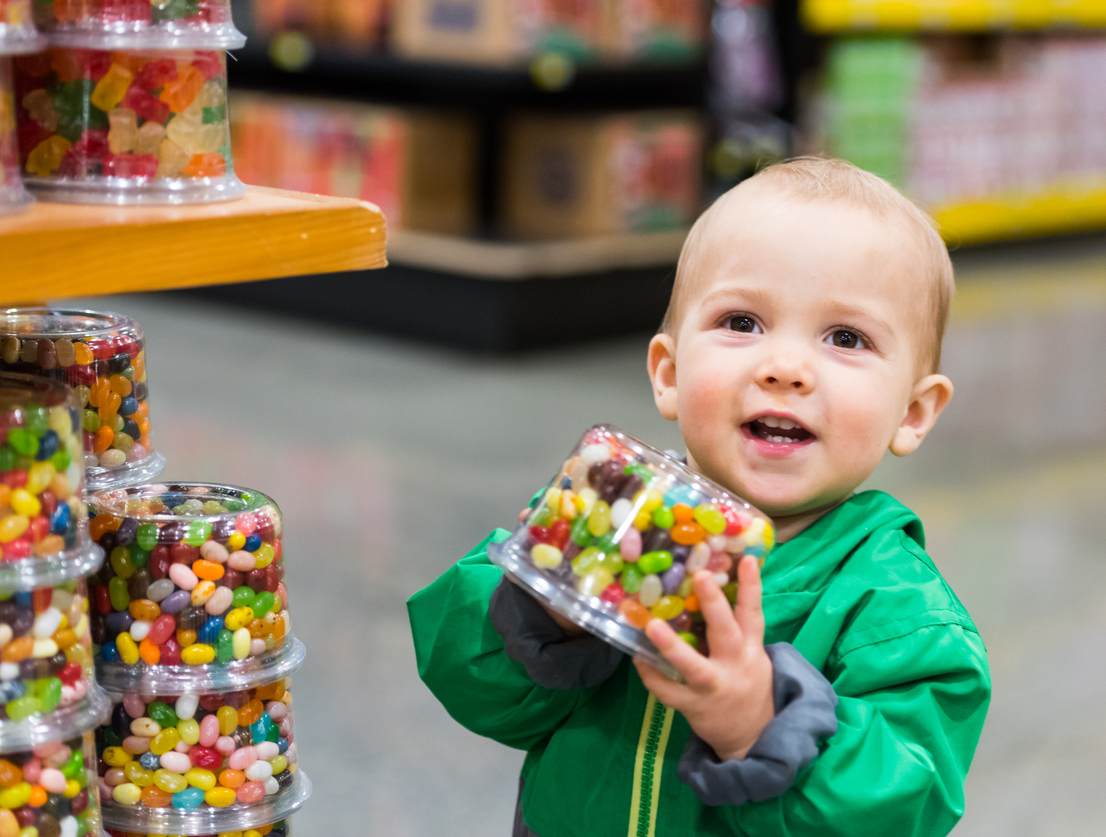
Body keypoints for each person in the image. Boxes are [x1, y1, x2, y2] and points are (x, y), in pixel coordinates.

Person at [407, 157, 991, 837]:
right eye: (742, 322)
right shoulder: (612, 517)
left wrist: (758, 726)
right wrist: (544, 612)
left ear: (913, 413)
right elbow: (467, 682)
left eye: (846, 338)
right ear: (670, 373)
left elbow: (904, 805)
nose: (784, 368)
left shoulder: (898, 612)